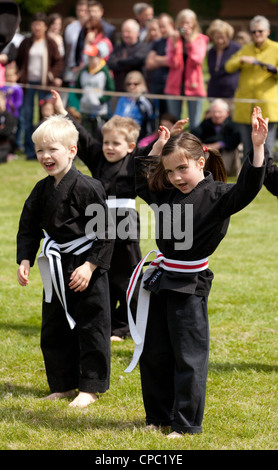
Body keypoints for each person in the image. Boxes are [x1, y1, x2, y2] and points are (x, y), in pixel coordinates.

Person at [126, 106, 267, 437]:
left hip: (190, 284)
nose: (176, 177)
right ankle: (157, 417)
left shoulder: (218, 195)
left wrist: (257, 147)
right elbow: (139, 181)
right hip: (160, 280)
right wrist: (159, 148)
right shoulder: (168, 193)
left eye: (182, 169)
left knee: (188, 357)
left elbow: (247, 188)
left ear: (200, 162)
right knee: (155, 351)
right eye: (170, 171)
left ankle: (186, 424)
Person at [17, 114, 113, 407]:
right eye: (40, 151)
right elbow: (29, 227)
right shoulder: (41, 189)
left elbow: (107, 232)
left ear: (72, 150)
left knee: (91, 325)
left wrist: (90, 265)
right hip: (55, 265)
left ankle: (90, 387)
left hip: (85, 266)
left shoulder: (88, 187)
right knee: (55, 326)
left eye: (52, 149)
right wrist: (25, 259)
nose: (45, 156)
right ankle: (62, 383)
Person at [50, 89, 141, 340]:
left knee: (129, 278)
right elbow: (82, 135)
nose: (110, 148)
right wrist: (62, 111)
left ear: (131, 147)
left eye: (117, 143)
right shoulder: (98, 157)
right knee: (103, 276)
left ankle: (127, 325)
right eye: (107, 142)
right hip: (98, 226)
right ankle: (105, 322)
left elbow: (156, 157)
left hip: (125, 229)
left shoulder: (135, 163)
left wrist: (164, 141)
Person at [225, 15, 278, 159]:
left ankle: (267, 180)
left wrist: (271, 69)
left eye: (260, 31)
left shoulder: (276, 49)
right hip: (245, 107)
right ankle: (249, 181)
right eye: (253, 32)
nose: (257, 34)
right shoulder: (246, 49)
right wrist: (241, 60)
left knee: (266, 150)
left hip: (267, 107)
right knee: (248, 151)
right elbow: (229, 66)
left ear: (267, 32)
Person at [16, 12, 63, 160]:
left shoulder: (50, 43)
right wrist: (20, 74)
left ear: (45, 27)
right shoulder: (26, 42)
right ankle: (29, 150)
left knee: (46, 117)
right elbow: (19, 60)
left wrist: (51, 75)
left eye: (40, 25)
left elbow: (58, 62)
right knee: (27, 116)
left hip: (44, 85)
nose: (37, 27)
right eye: (35, 24)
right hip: (28, 84)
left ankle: (46, 149)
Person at [164, 8, 209, 130]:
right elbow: (172, 63)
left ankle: (193, 147)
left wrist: (190, 41)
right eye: (182, 22)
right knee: (174, 122)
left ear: (194, 24)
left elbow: (197, 59)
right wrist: (174, 44)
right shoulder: (173, 39)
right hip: (174, 85)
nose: (185, 26)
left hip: (194, 86)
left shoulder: (201, 39)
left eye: (188, 22)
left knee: (195, 123)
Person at [74, 42, 115, 140]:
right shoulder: (84, 71)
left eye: (92, 57)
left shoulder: (104, 71)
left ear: (98, 57)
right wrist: (82, 98)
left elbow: (111, 89)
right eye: (89, 57)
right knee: (85, 134)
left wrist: (100, 100)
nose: (90, 60)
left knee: (99, 135)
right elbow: (77, 87)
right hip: (85, 108)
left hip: (100, 110)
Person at [191, 99, 242, 176]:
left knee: (231, 151)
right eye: (214, 112)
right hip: (209, 151)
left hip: (227, 151)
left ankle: (224, 171)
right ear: (210, 113)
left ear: (227, 113)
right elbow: (195, 134)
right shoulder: (206, 123)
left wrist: (220, 144)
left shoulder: (233, 124)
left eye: (219, 112)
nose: (216, 115)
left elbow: (235, 139)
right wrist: (202, 144)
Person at [107, 19, 150, 91]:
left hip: (136, 92)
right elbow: (110, 63)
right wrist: (126, 64)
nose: (125, 34)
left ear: (137, 33)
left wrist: (119, 61)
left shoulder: (143, 47)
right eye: (123, 31)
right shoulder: (118, 47)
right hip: (118, 89)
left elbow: (136, 60)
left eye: (128, 32)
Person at [145, 13, 175, 115]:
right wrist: (166, 60)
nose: (161, 30)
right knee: (157, 116)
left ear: (171, 24)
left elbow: (174, 61)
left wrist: (157, 59)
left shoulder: (177, 39)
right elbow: (149, 63)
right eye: (160, 27)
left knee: (170, 115)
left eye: (163, 27)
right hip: (156, 84)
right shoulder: (157, 42)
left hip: (171, 85)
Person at [206, 19, 241, 99]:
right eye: (217, 38)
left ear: (228, 36)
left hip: (231, 94)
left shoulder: (236, 49)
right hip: (214, 93)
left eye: (222, 37)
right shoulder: (212, 51)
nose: (220, 41)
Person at [113, 70, 154, 140]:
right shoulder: (123, 98)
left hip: (138, 132)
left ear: (142, 84)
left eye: (135, 84)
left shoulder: (145, 100)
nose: (132, 86)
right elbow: (116, 116)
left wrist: (137, 100)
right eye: (129, 84)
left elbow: (148, 116)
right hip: (121, 129)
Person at [63, 0, 89, 90]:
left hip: (87, 67)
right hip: (72, 66)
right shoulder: (70, 28)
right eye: (79, 10)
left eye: (84, 10)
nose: (82, 13)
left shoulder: (93, 27)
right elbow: (67, 47)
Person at [0, 90, 17, 162]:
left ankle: (9, 156)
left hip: (4, 145)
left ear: (4, 100)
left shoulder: (9, 116)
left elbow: (6, 132)